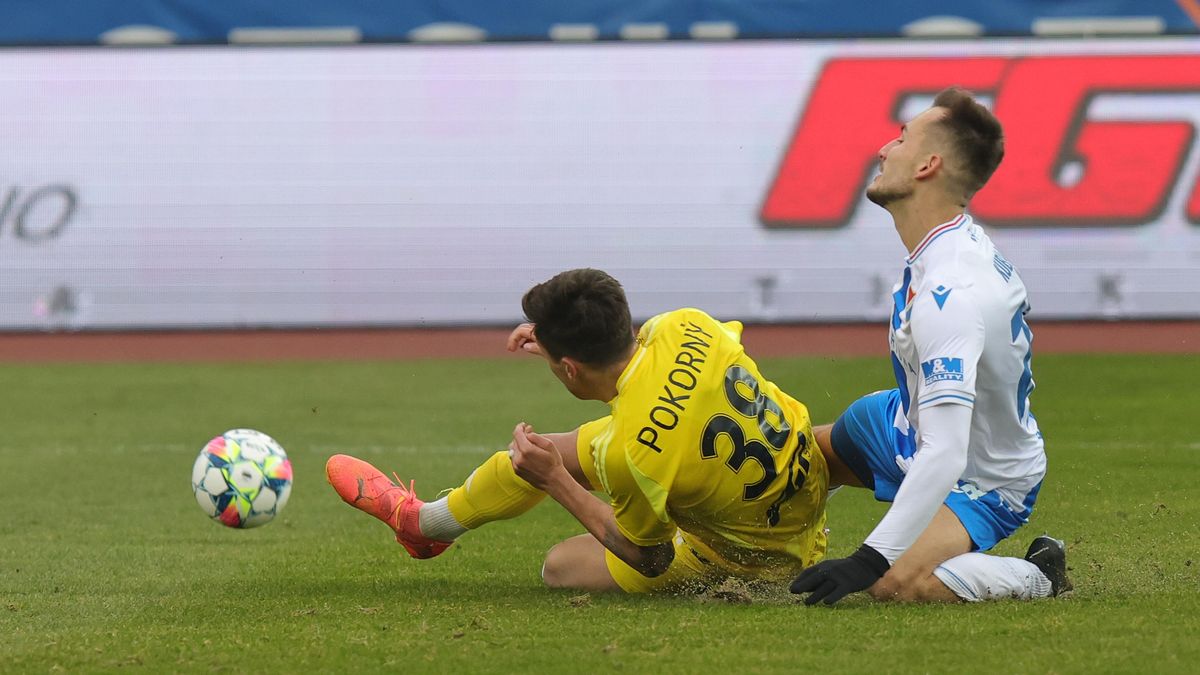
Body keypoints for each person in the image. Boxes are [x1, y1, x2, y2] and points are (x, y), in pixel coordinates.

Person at [325, 268, 842, 593]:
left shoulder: (631, 452)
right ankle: (424, 525)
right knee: (542, 451)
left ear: (570, 369)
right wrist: (556, 343)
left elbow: (652, 558)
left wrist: (557, 482)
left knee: (560, 566)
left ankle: (721, 553)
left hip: (759, 560)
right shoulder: (685, 323)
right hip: (800, 486)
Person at [790, 87, 1071, 605]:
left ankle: (1038, 575)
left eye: (900, 139)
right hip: (905, 424)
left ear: (927, 165)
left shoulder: (952, 291)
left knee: (896, 584)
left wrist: (868, 559)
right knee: (786, 460)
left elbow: (946, 451)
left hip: (982, 477)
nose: (884, 149)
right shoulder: (942, 248)